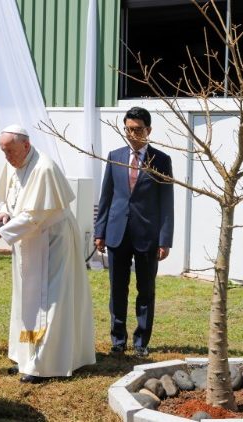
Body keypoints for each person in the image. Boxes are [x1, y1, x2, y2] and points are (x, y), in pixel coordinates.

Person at [0, 124, 95, 383]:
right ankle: (26, 355)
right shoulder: (13, 161)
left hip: (51, 242)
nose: (7, 157)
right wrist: (4, 211)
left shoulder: (44, 167)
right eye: (3, 151)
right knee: (27, 301)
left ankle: (44, 362)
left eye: (10, 151)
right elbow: (8, 193)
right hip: (27, 242)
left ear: (26, 145)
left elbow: (35, 215)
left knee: (48, 301)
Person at [94, 106, 174, 358]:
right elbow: (106, 197)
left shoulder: (161, 161)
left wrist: (165, 239)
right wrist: (100, 231)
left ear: (148, 130)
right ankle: (118, 339)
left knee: (145, 290)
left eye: (137, 130)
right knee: (117, 289)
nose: (132, 134)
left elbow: (167, 203)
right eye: (128, 129)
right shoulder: (114, 156)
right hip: (117, 233)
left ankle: (141, 341)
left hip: (147, 236)